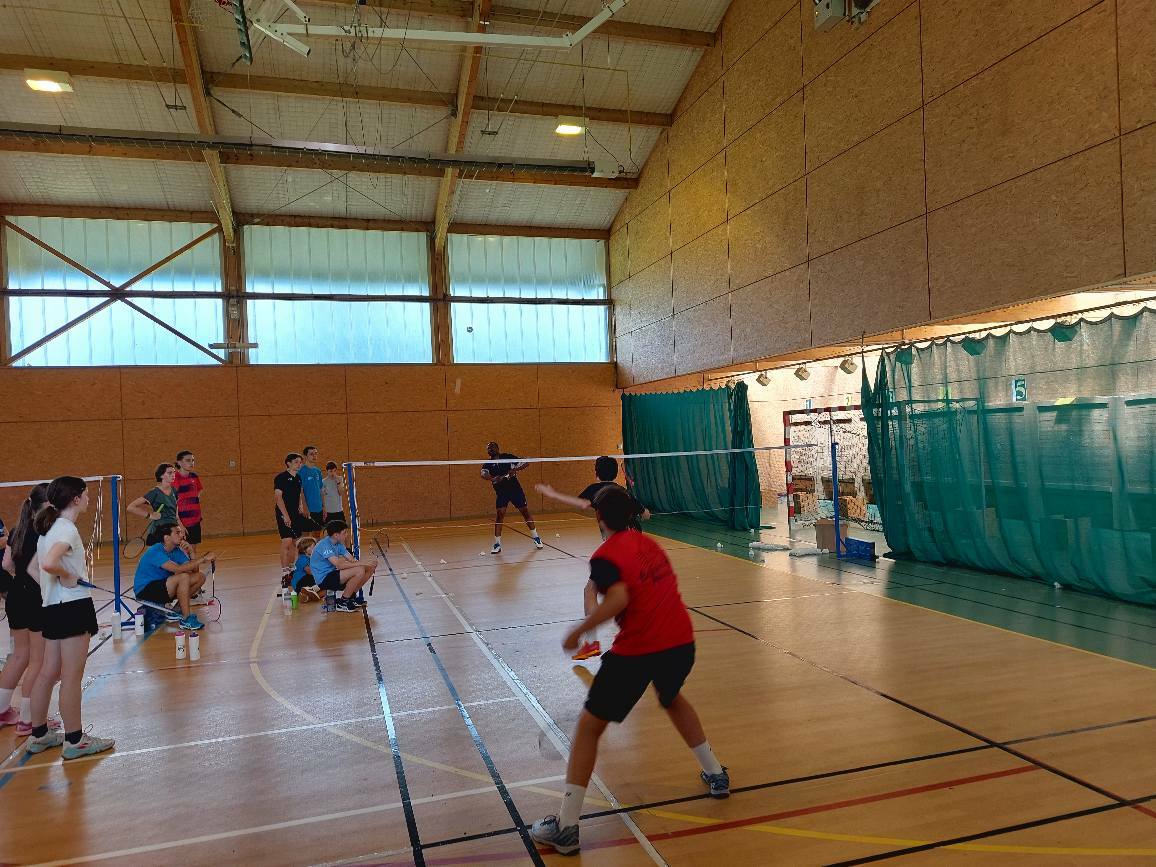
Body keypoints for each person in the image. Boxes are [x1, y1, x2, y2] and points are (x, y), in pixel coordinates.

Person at [529, 486, 728, 855]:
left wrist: (578, 630)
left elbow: (619, 597)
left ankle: (567, 827)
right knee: (671, 697)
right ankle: (716, 773)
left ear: (599, 518)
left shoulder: (604, 555)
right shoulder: (649, 543)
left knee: (588, 729)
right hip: (680, 643)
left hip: (639, 651)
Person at [26, 476, 114, 760]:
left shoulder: (48, 529)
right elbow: (48, 564)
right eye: (86, 494)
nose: (88, 498)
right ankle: (75, 740)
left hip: (52, 608)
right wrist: (67, 577)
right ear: (75, 499)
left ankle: (38, 735)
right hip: (73, 608)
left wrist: (53, 588)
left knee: (48, 672)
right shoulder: (66, 528)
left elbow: (33, 569)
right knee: (72, 677)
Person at [537, 456, 650, 661]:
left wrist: (552, 494)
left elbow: (580, 504)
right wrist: (639, 511)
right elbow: (646, 515)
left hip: (618, 548)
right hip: (637, 547)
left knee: (590, 591)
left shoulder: (595, 490)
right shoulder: (623, 492)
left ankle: (591, 643)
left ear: (597, 472)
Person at [0, 484, 60, 737]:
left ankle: (2, 711)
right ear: (47, 505)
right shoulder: (45, 530)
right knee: (38, 660)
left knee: (19, 656)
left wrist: (20, 579)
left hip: (15, 597)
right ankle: (29, 719)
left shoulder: (17, 529)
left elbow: (6, 564)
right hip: (35, 599)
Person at [133, 522, 214, 632]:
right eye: (177, 533)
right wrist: (203, 559)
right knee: (183, 577)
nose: (182, 535)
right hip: (145, 591)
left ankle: (177, 610)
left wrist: (191, 552)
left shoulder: (176, 551)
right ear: (167, 538)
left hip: (164, 588)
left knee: (200, 577)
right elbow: (178, 569)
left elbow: (194, 571)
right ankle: (186, 619)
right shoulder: (155, 550)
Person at [481, 441, 542, 554]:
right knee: (500, 515)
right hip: (501, 493)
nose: (490, 449)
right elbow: (483, 474)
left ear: (497, 448)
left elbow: (526, 462)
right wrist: (493, 479)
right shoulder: (487, 464)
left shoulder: (507, 457)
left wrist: (515, 469)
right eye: (488, 448)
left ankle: (536, 537)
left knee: (525, 512)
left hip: (515, 490)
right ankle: (497, 544)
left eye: (492, 447)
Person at [309, 521, 375, 613]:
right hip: (324, 579)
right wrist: (361, 563)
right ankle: (343, 602)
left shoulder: (338, 544)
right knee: (359, 570)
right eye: (344, 533)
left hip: (333, 575)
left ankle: (351, 597)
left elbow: (351, 560)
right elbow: (339, 565)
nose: (347, 535)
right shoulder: (324, 545)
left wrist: (367, 563)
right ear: (336, 535)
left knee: (369, 568)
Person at [274, 453, 310, 588]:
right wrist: (286, 515)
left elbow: (299, 493)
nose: (299, 464)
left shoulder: (298, 478)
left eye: (300, 462)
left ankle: (291, 569)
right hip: (283, 513)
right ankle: (285, 573)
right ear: (288, 463)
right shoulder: (281, 478)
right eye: (296, 462)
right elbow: (278, 498)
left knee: (295, 542)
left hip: (295, 514)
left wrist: (300, 505)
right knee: (287, 541)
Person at [128, 464, 179, 546]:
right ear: (161, 475)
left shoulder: (174, 490)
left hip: (174, 528)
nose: (173, 475)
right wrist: (150, 515)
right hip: (160, 528)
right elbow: (131, 507)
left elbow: (176, 511)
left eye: (174, 472)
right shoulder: (154, 492)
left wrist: (180, 525)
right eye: (170, 473)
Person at [173, 450, 205, 556]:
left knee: (193, 551)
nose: (191, 463)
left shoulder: (194, 476)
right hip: (182, 521)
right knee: (183, 552)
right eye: (188, 460)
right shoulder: (175, 478)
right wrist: (180, 525)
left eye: (193, 460)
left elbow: (199, 489)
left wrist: (192, 499)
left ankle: (193, 566)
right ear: (179, 462)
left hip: (195, 519)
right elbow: (172, 502)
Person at [299, 446, 325, 537]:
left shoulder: (318, 471)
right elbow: (300, 491)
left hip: (318, 508)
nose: (314, 456)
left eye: (315, 454)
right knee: (305, 535)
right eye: (311, 454)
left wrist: (324, 507)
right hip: (308, 509)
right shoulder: (301, 471)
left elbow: (321, 489)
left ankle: (315, 548)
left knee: (317, 534)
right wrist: (304, 507)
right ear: (305, 456)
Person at [290, 537, 322, 602]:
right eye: (312, 547)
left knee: (329, 586)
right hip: (300, 583)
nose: (315, 548)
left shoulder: (312, 558)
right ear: (304, 550)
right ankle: (310, 590)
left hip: (306, 583)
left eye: (315, 546)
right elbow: (309, 571)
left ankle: (308, 597)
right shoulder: (303, 558)